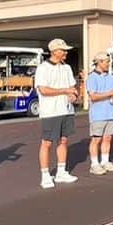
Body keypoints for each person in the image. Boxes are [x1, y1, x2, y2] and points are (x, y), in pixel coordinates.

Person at [35, 38, 80, 189]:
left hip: (66, 110)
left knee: (63, 141)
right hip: (50, 111)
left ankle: (61, 172)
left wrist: (73, 94)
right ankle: (45, 175)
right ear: (55, 51)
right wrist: (65, 91)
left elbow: (72, 87)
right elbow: (43, 90)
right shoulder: (43, 68)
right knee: (46, 143)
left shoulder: (67, 68)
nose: (66, 52)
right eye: (63, 50)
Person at [85, 52, 113, 175]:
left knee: (108, 138)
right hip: (98, 114)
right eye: (106, 62)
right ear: (99, 62)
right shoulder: (92, 77)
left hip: (110, 112)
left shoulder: (111, 77)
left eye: (108, 62)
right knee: (96, 139)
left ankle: (105, 161)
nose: (108, 64)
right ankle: (94, 164)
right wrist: (109, 93)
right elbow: (93, 96)